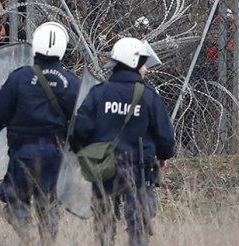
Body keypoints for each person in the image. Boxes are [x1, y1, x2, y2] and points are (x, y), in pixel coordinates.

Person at [71, 37, 175, 246]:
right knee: (138, 223)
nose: (145, 68)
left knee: (103, 222)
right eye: (143, 63)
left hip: (103, 168)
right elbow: (165, 135)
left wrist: (86, 154)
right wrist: (164, 155)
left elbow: (79, 130)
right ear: (134, 63)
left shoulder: (99, 93)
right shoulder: (148, 96)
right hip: (139, 169)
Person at [0, 21, 80, 244]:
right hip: (55, 152)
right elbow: (82, 121)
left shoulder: (19, 78)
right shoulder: (71, 82)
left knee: (15, 201)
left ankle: (28, 238)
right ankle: (47, 241)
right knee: (48, 205)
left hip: (23, 151)